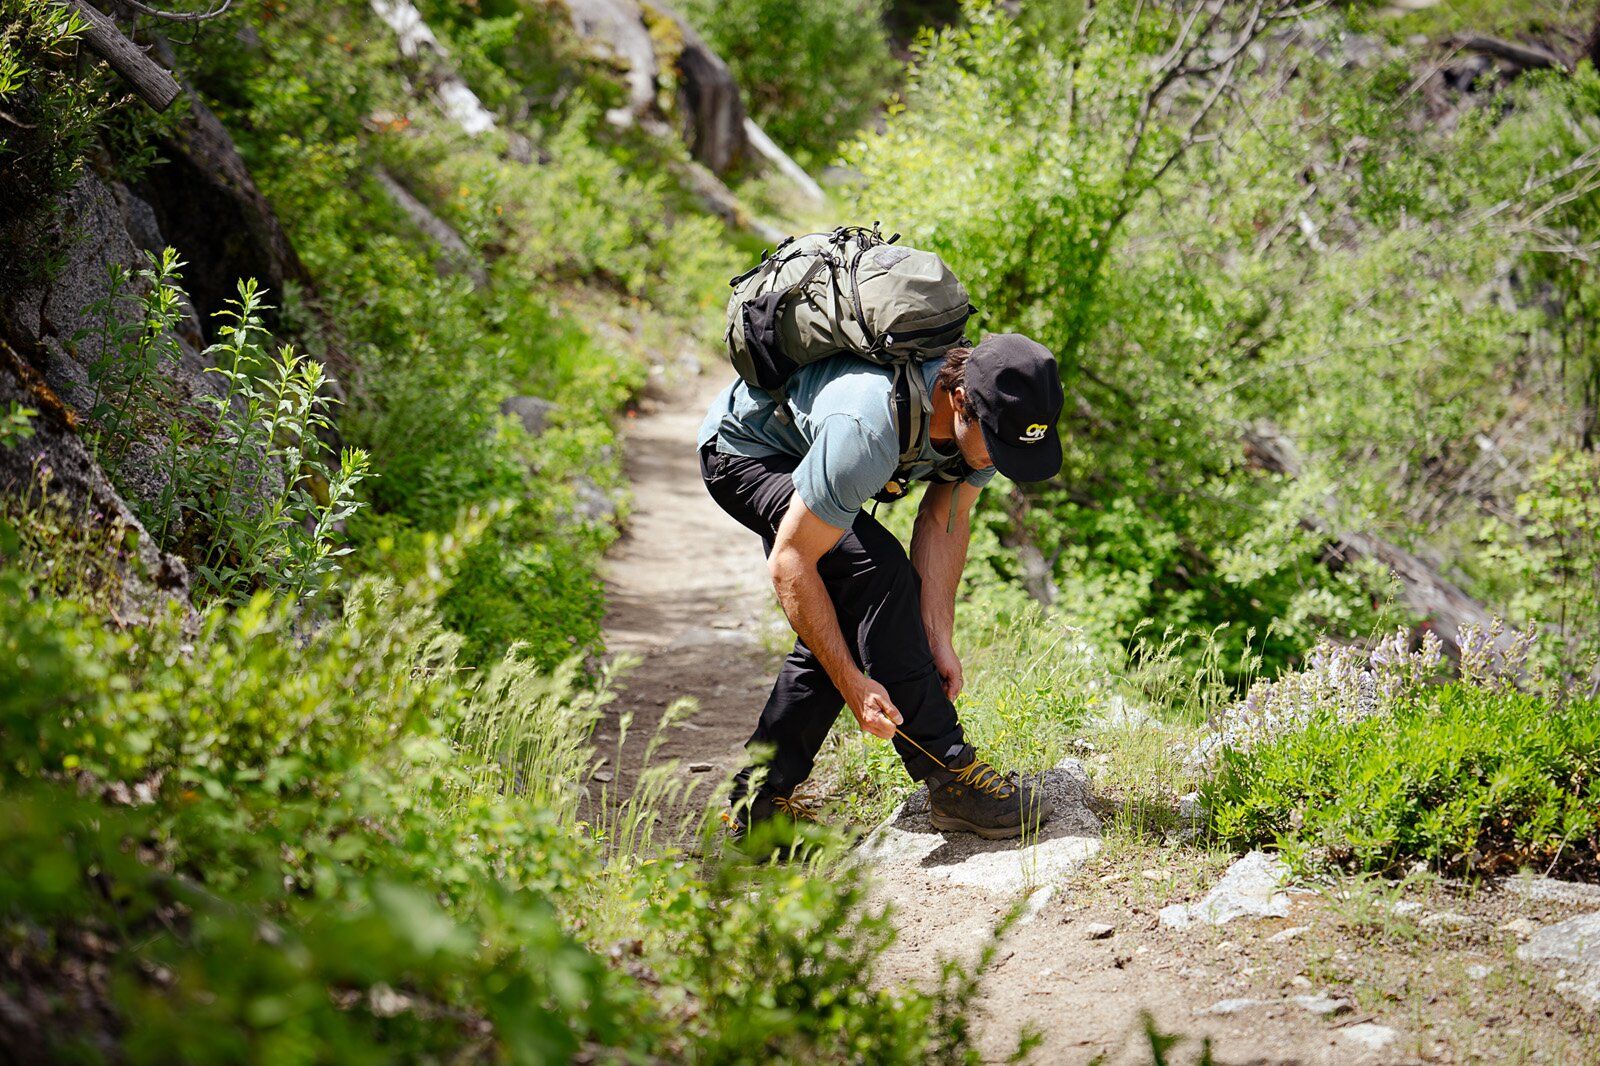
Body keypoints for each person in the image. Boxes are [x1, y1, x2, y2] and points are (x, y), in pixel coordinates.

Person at [697, 332, 1066, 839]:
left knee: (853, 608)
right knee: (876, 572)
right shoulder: (867, 429)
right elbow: (791, 563)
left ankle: (755, 806)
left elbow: (945, 521)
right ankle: (951, 775)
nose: (1003, 462)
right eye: (999, 447)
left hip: (820, 452)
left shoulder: (992, 418)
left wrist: (938, 637)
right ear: (960, 401)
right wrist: (852, 683)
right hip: (747, 450)